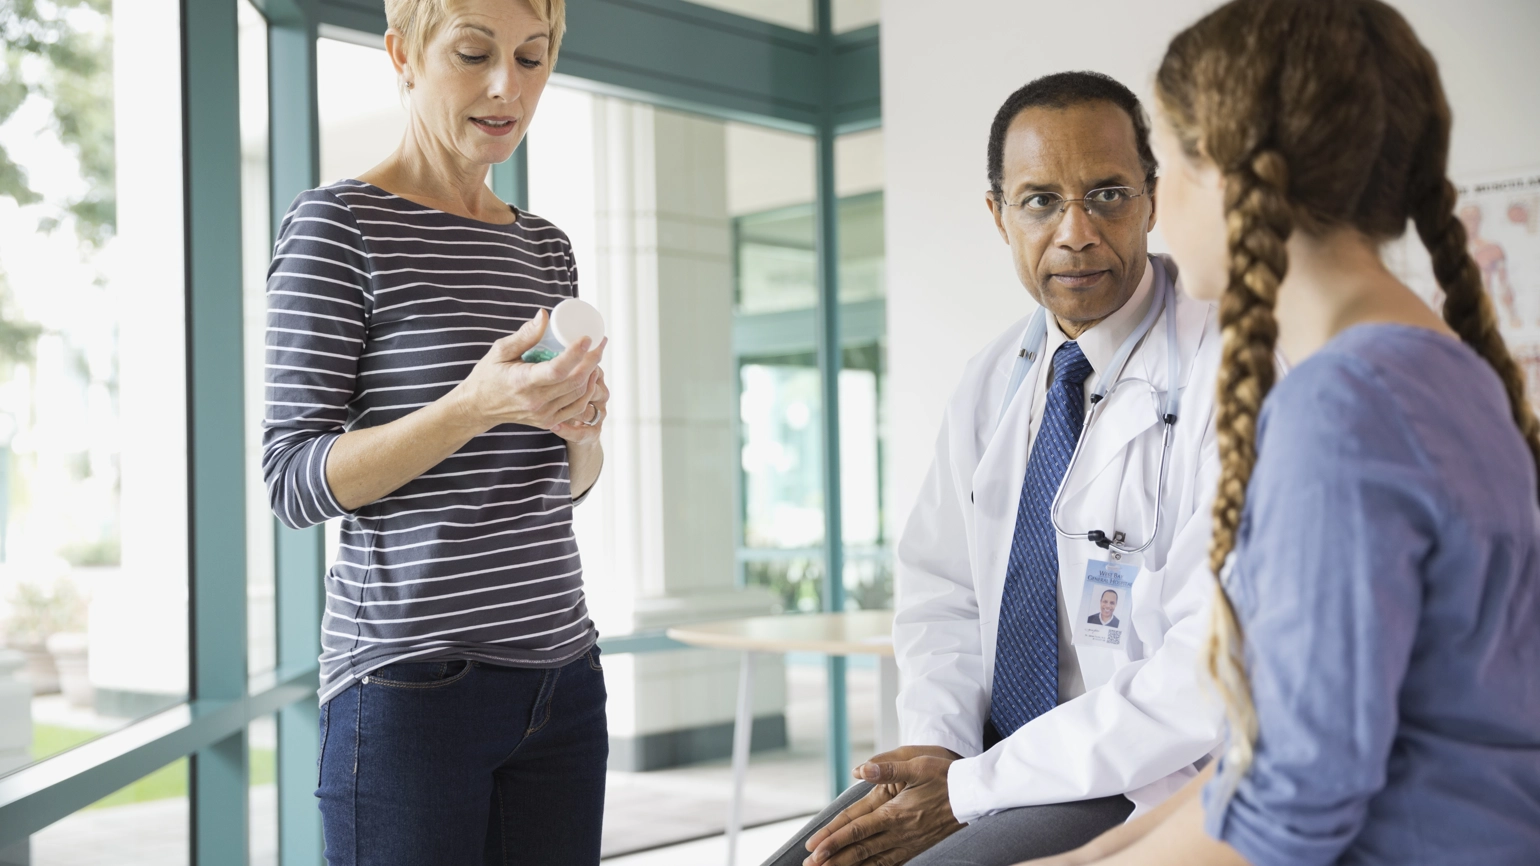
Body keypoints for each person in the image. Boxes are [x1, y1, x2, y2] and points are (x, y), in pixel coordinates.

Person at [1019, 1, 1540, 864]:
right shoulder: (1438, 368)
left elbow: (1290, 810)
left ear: (1225, 173)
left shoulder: (1345, 408)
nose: (1154, 202)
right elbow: (1264, 752)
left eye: (1164, 165)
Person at [764, 71, 1227, 866]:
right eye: (1041, 200)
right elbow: (941, 591)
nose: (1076, 231)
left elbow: (1203, 669)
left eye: (1108, 195)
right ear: (999, 214)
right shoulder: (995, 380)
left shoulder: (1227, 370)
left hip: (1133, 773)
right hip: (984, 752)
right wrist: (944, 753)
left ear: (1151, 199)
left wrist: (971, 790)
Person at [261, 0, 611, 863]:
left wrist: (581, 427)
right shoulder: (339, 227)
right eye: (471, 53)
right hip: (410, 691)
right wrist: (473, 405)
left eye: (532, 58)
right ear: (403, 54)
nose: (506, 87)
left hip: (562, 677)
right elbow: (292, 481)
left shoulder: (545, 248)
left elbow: (560, 483)